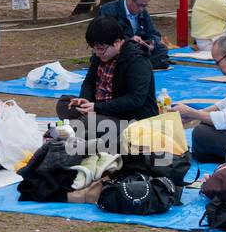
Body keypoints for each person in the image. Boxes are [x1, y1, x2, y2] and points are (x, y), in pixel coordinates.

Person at [56, 16, 157, 152]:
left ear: (117, 42)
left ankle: (82, 130)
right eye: (94, 49)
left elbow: (135, 99)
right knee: (64, 104)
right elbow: (89, 82)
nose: (98, 53)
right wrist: (85, 99)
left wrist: (97, 108)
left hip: (131, 119)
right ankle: (84, 129)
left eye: (101, 49)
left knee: (86, 123)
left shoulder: (137, 61)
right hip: (102, 109)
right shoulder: (100, 57)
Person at [98, 0, 170, 69]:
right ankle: (144, 64)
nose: (141, 9)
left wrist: (151, 42)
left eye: (145, 6)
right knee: (131, 49)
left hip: (140, 47)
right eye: (139, 5)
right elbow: (105, 36)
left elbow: (153, 32)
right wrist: (129, 40)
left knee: (161, 48)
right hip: (121, 48)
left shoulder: (143, 11)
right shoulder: (108, 10)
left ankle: (139, 65)